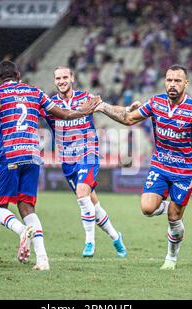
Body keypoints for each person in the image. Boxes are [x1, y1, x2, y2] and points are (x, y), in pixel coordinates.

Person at [0, 60, 100, 271]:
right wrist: (84, 111)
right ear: (19, 75)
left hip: (9, 155)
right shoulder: (35, 92)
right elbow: (64, 114)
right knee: (27, 207)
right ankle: (42, 260)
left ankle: (22, 230)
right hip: (32, 156)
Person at [96, 65, 192, 270]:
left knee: (174, 219)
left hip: (185, 172)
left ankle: (171, 258)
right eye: (169, 80)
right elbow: (129, 118)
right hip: (160, 166)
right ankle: (173, 206)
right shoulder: (156, 102)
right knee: (147, 208)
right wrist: (102, 106)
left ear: (186, 83)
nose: (172, 85)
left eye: (177, 81)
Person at [43, 66, 128, 258]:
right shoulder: (50, 104)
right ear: (55, 80)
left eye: (65, 77)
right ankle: (116, 237)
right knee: (93, 205)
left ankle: (89, 242)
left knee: (82, 195)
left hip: (88, 154)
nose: (62, 81)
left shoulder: (86, 98)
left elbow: (108, 109)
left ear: (72, 78)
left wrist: (128, 110)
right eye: (58, 78)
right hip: (67, 160)